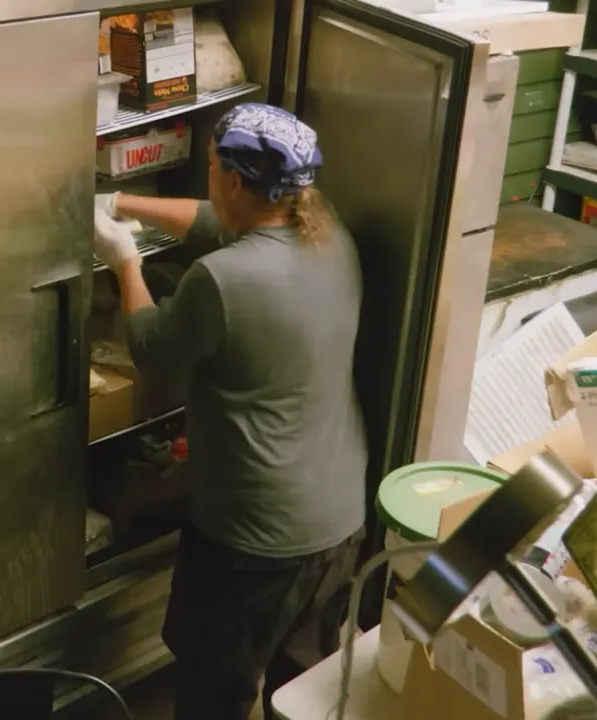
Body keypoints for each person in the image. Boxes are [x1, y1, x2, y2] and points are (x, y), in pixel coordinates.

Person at [93, 103, 368, 720]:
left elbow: (152, 351)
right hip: (339, 523)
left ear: (235, 181)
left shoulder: (219, 281)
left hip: (255, 545)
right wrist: (121, 204)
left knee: (213, 696)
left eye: (213, 166)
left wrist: (125, 262)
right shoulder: (326, 233)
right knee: (296, 695)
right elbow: (215, 223)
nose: (209, 178)